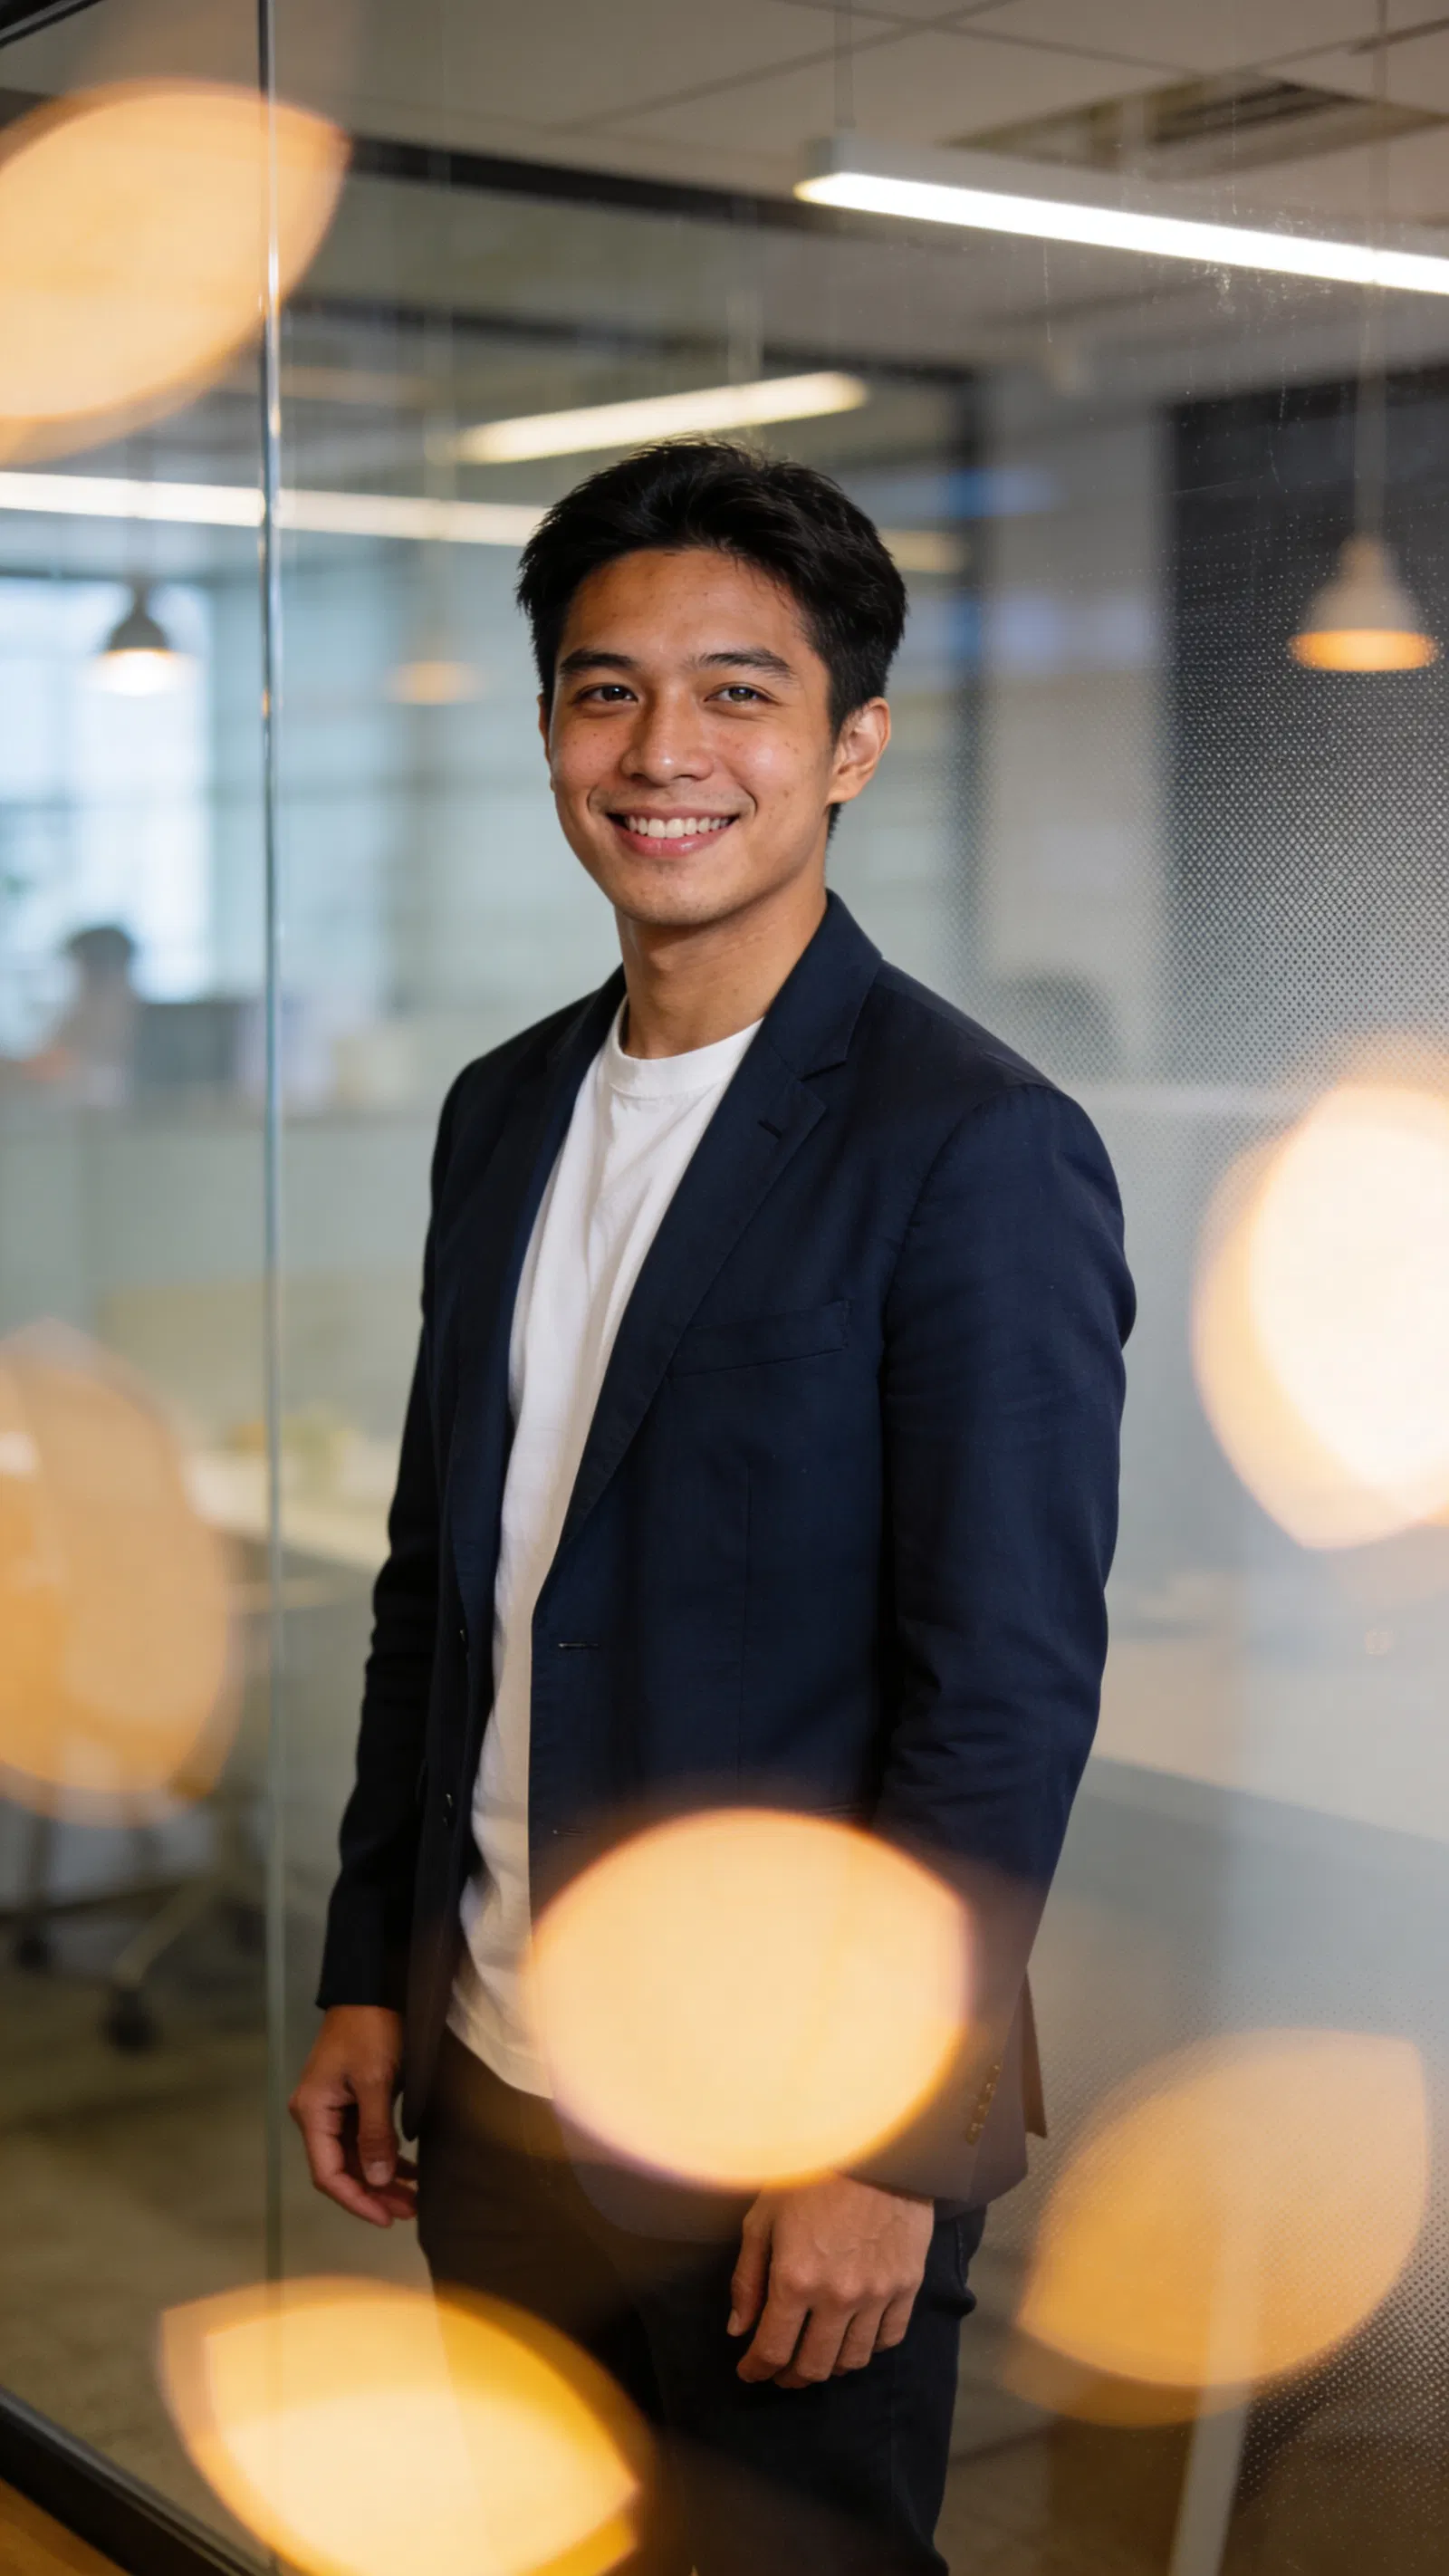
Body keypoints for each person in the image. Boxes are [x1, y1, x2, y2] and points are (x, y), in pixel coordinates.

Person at [291, 439, 1133, 2573]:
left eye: (737, 692)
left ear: (848, 745)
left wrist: (892, 2151)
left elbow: (998, 1698)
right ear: (551, 729)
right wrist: (371, 1969)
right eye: (603, 690)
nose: (662, 751)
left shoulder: (970, 1148)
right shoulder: (500, 1113)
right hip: (487, 2085)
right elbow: (443, 1591)